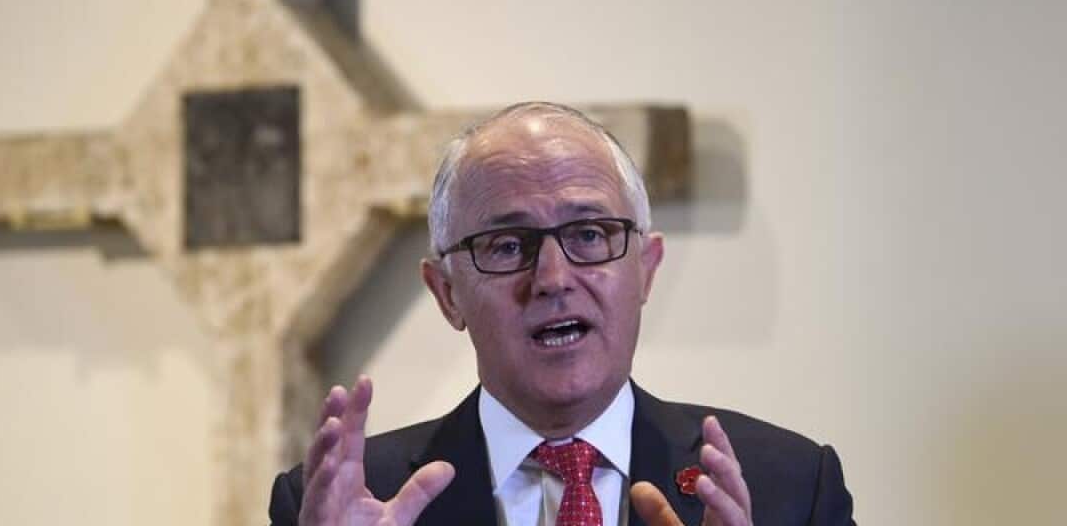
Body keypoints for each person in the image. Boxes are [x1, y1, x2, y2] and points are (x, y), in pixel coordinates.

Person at [269, 102, 855, 526]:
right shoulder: (334, 507)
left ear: (646, 269)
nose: (552, 279)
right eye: (505, 246)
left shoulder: (792, 488)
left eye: (591, 234)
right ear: (447, 293)